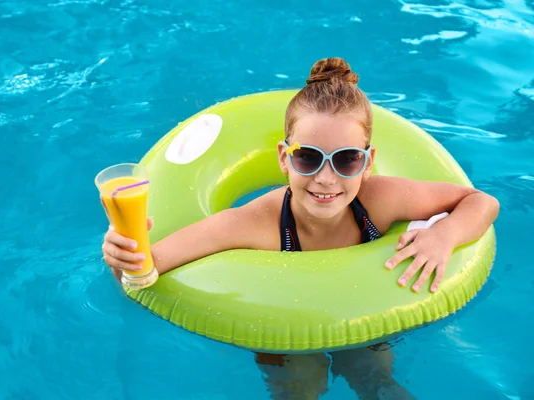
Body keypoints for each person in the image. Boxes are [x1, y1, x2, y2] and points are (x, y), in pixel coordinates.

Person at [101, 57, 500, 399]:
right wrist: (124, 256)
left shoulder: (380, 199)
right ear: (283, 158)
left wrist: (444, 235)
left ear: (369, 161)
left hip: (365, 315)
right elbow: (149, 269)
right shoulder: (259, 221)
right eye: (308, 158)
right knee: (299, 386)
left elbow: (482, 202)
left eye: (345, 160)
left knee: (376, 379)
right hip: (283, 333)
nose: (326, 179)